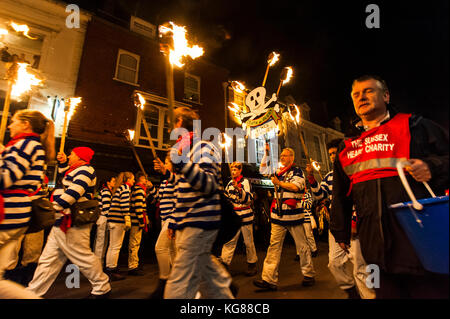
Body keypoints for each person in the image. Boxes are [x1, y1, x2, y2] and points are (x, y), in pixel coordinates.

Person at [331, 75, 449, 299]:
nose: (361, 97)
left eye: (368, 91)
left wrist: (432, 167)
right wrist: (340, 231)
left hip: (421, 246)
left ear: (385, 96)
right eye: (356, 94)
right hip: (374, 251)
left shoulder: (415, 126)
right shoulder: (346, 147)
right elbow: (340, 194)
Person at [162, 106, 234, 299]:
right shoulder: (181, 150)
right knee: (209, 278)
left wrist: (183, 164)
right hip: (187, 223)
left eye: (173, 122)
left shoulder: (204, 148)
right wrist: (175, 222)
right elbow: (180, 192)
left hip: (200, 223)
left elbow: (209, 184)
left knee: (180, 282)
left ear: (179, 123)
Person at [27, 147, 111, 299]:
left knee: (82, 257)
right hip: (63, 220)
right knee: (48, 260)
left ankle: (102, 286)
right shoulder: (76, 169)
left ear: (80, 157)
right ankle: (32, 292)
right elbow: (64, 177)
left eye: (72, 154)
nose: (69, 156)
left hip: (71, 222)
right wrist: (63, 161)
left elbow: (75, 191)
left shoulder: (86, 169)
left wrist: (54, 207)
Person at [307, 138, 375, 299]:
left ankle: (371, 295)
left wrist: (354, 220)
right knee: (334, 263)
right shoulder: (329, 176)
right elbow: (320, 195)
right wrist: (311, 178)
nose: (332, 156)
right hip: (337, 226)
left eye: (335, 152)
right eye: (330, 154)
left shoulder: (357, 170)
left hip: (356, 225)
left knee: (362, 266)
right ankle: (352, 292)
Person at [0, 110, 54, 299]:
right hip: (13, 213)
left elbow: (6, 178)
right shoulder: (27, 145)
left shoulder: (26, 145)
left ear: (25, 124)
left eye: (13, 121)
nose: (9, 126)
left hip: (9, 214)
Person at [253, 146, 316, 290]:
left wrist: (279, 183)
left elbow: (296, 187)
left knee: (302, 247)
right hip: (278, 215)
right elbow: (263, 171)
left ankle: (309, 274)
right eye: (281, 155)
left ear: (292, 157)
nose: (282, 157)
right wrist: (267, 154)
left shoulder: (297, 171)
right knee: (273, 247)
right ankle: (268, 280)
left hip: (294, 215)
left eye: (285, 155)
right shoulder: (278, 171)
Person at [220, 161, 258, 276]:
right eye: (232, 169)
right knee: (230, 241)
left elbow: (249, 198)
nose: (233, 171)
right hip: (234, 216)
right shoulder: (230, 183)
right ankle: (224, 264)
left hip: (245, 216)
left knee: (248, 241)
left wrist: (240, 190)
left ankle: (252, 263)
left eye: (235, 169)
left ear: (240, 170)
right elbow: (227, 198)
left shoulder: (245, 182)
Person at [149, 152, 176, 299]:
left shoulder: (175, 180)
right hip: (164, 218)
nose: (165, 165)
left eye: (167, 163)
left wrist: (173, 221)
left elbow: (179, 199)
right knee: (173, 252)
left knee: (160, 247)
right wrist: (151, 188)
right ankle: (176, 280)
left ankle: (165, 281)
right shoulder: (165, 181)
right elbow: (159, 197)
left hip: (172, 218)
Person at [105, 171, 134, 281]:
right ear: (127, 180)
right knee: (116, 246)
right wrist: (127, 218)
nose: (133, 181)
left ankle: (109, 268)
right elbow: (124, 204)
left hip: (112, 219)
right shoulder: (126, 188)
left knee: (112, 246)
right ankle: (112, 270)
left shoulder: (119, 188)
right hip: (118, 220)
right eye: (132, 179)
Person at [128, 171, 150, 276]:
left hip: (135, 220)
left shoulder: (137, 189)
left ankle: (134, 264)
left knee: (135, 242)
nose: (146, 181)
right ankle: (133, 266)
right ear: (141, 178)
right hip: (137, 221)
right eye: (145, 179)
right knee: (135, 243)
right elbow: (138, 207)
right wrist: (142, 221)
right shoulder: (140, 190)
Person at [93, 175, 116, 264]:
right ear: (108, 183)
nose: (114, 183)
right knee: (101, 243)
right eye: (113, 181)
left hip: (102, 218)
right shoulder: (106, 191)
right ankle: (98, 264)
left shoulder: (104, 191)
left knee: (101, 242)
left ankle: (99, 263)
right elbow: (106, 208)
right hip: (104, 218)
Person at [300, 190, 317, 257]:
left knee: (308, 235)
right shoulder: (296, 194)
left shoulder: (307, 194)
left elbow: (309, 206)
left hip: (306, 218)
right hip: (298, 218)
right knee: (300, 237)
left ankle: (314, 250)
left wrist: (299, 201)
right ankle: (301, 252)